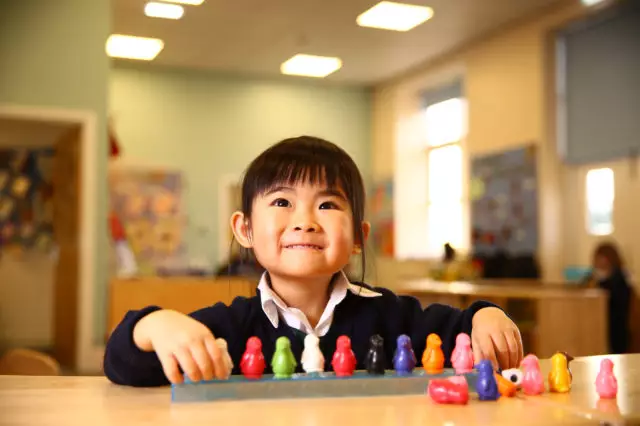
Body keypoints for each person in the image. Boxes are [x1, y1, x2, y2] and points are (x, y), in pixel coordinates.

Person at [103, 136, 523, 387]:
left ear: (359, 238)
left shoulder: (393, 318)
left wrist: (487, 316)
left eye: (326, 205)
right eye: (283, 201)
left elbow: (460, 329)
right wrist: (152, 325)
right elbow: (124, 365)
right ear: (245, 229)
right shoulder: (227, 328)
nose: (304, 222)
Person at [586, 242, 633, 354]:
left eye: (599, 258)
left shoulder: (619, 278)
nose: (595, 261)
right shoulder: (598, 276)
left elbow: (616, 301)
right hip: (606, 325)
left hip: (616, 329)